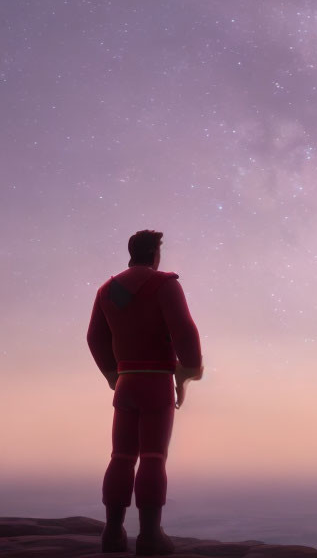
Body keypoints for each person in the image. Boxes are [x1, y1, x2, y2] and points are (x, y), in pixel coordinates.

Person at [87, 230, 203, 555]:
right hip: (156, 380)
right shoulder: (164, 284)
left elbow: (95, 338)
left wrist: (113, 374)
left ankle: (112, 533)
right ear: (154, 254)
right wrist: (188, 372)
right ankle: (150, 536)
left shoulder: (107, 291)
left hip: (126, 382)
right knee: (153, 456)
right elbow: (184, 330)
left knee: (121, 456)